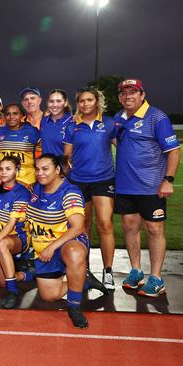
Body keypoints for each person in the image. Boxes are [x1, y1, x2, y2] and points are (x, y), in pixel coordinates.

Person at [114, 79, 180, 297]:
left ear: (142, 95)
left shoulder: (157, 117)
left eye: (133, 92)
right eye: (124, 93)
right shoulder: (119, 118)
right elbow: (117, 141)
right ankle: (136, 271)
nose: (128, 96)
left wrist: (168, 179)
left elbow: (173, 150)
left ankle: (156, 278)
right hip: (125, 186)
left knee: (154, 230)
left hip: (151, 186)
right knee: (130, 228)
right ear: (119, 97)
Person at [26, 154, 90, 328]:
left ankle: (74, 307)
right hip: (44, 251)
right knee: (49, 296)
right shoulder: (34, 189)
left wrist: (52, 247)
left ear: (57, 170)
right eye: (37, 169)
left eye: (45, 169)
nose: (40, 173)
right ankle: (83, 280)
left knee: (74, 254)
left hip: (66, 244)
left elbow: (78, 227)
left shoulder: (69, 192)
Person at [63, 87, 117, 290]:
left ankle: (108, 271)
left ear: (97, 101)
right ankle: (83, 270)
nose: (85, 104)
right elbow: (67, 155)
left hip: (104, 179)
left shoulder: (110, 124)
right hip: (78, 181)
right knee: (83, 225)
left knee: (105, 224)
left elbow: (123, 147)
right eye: (82, 101)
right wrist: (65, 172)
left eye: (89, 100)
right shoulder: (72, 126)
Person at [0, 156, 30, 308]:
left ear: (17, 171)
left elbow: (11, 224)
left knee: (2, 245)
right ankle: (28, 274)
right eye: (1, 169)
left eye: (8, 169)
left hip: (16, 237)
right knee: (2, 282)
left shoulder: (22, 193)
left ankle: (13, 293)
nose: (3, 172)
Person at [0, 104, 41, 187]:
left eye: (15, 113)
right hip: (2, 180)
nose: (11, 117)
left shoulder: (32, 131)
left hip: (26, 182)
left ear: (22, 115)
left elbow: (43, 154)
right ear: (4, 116)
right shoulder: (0, 131)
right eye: (8, 114)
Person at [40, 89, 73, 157]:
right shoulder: (44, 121)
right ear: (47, 103)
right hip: (46, 166)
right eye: (51, 101)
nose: (55, 105)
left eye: (58, 101)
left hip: (64, 166)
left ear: (65, 103)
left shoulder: (73, 122)